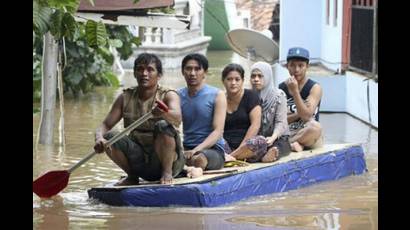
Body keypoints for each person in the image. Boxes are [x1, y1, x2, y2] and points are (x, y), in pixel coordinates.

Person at [93, 53, 185, 185]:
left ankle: (166, 173)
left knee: (163, 125)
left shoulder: (168, 95)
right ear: (135, 73)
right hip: (140, 160)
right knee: (109, 136)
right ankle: (132, 176)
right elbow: (106, 125)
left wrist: (164, 113)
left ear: (159, 75)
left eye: (150, 69)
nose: (144, 73)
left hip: (170, 161)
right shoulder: (125, 97)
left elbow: (177, 118)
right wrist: (99, 138)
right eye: (140, 69)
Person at [178, 53, 227, 170]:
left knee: (199, 160)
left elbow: (218, 131)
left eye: (197, 69)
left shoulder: (217, 94)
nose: (192, 73)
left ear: (205, 72)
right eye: (188, 69)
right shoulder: (177, 95)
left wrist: (196, 150)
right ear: (182, 72)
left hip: (212, 150)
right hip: (187, 148)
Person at [279, 47, 323, 152]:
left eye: (301, 65)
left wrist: (295, 92)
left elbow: (306, 116)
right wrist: (299, 112)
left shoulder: (314, 88)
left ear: (307, 66)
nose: (296, 70)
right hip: (290, 132)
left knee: (316, 127)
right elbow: (280, 119)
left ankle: (288, 145)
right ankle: (295, 144)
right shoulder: (281, 88)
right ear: (287, 66)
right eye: (292, 65)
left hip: (308, 132)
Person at [221, 63, 262, 155]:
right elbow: (216, 128)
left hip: (247, 146)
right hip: (226, 146)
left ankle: (232, 157)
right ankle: (228, 156)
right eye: (229, 79)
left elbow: (255, 125)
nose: (233, 83)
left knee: (260, 141)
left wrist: (239, 150)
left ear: (242, 81)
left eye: (237, 79)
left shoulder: (251, 96)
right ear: (223, 81)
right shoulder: (219, 99)